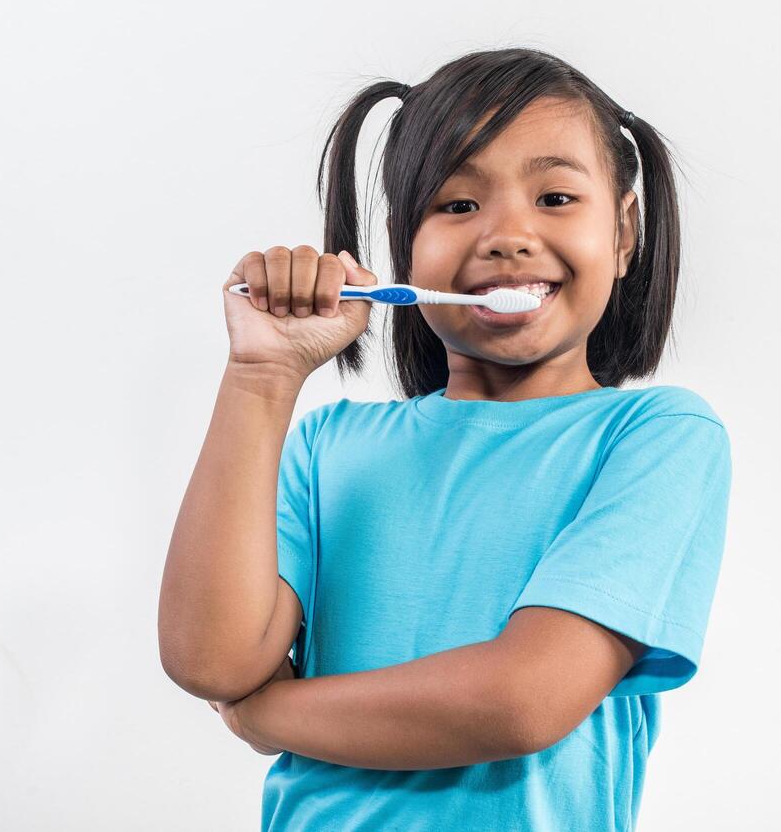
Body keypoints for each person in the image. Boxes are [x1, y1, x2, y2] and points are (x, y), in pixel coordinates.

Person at [158, 47, 733, 831]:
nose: (507, 234)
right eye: (457, 205)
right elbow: (210, 661)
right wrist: (262, 379)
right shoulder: (331, 444)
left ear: (624, 231)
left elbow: (523, 699)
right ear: (403, 243)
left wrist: (265, 715)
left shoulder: (656, 438)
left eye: (556, 196)